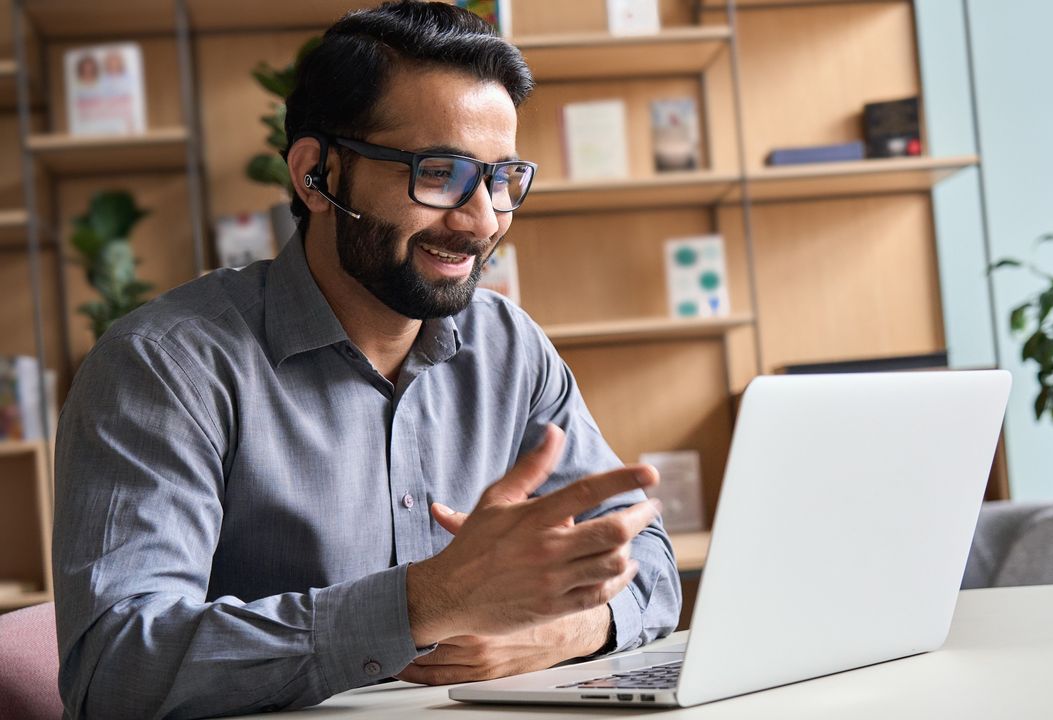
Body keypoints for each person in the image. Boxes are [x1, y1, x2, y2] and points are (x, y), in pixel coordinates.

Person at [51, 3, 680, 717]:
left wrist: (557, 632)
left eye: (501, 178)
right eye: (438, 172)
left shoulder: (509, 347)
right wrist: (427, 603)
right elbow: (116, 669)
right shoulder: (162, 369)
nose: (481, 220)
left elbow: (648, 560)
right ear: (315, 175)